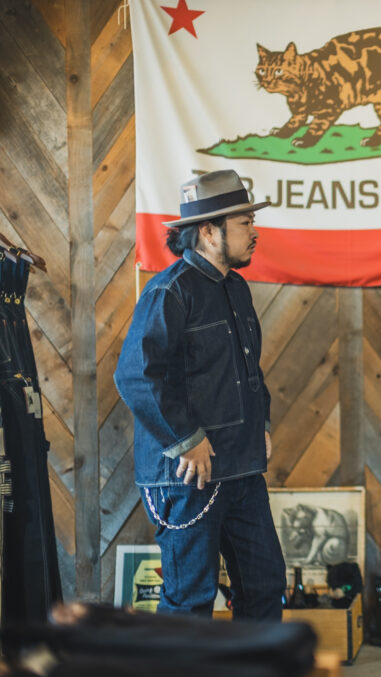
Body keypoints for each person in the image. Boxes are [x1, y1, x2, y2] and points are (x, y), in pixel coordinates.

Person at [114, 169, 286, 619]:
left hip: (241, 468)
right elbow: (136, 376)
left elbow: (249, 369)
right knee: (190, 601)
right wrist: (187, 440)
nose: (254, 232)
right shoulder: (169, 291)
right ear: (209, 232)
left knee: (265, 586)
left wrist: (262, 424)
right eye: (245, 223)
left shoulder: (236, 288)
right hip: (188, 476)